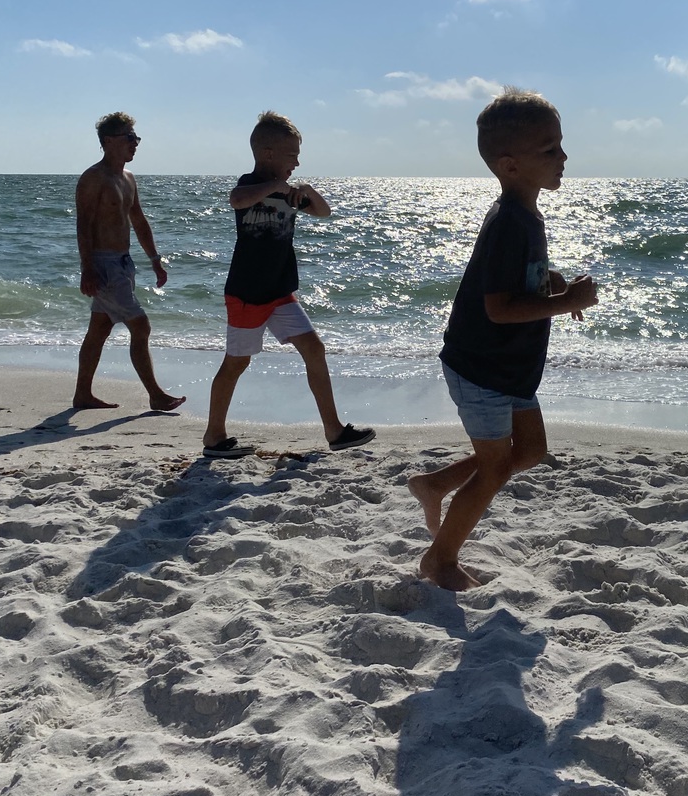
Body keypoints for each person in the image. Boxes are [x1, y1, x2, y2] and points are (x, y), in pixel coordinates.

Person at [409, 88, 598, 591]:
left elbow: (517, 281)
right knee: (495, 469)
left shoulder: (527, 216)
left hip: (511, 366)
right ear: (511, 165)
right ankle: (440, 559)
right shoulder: (508, 222)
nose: (563, 158)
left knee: (530, 450)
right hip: (481, 367)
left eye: (559, 145)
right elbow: (498, 307)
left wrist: (552, 283)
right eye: (549, 149)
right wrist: (566, 303)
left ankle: (436, 484)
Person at [202, 111, 375, 459]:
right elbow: (237, 199)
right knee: (236, 363)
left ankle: (335, 430)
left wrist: (306, 192)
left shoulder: (291, 193)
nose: (297, 161)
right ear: (268, 154)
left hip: (281, 292)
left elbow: (323, 212)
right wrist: (275, 187)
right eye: (291, 154)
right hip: (247, 294)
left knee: (315, 348)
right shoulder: (250, 184)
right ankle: (214, 436)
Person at [73, 112, 186, 412]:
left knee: (99, 329)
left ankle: (82, 394)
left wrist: (155, 260)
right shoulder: (93, 178)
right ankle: (156, 395)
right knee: (141, 325)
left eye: (136, 138)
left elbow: (138, 221)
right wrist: (87, 268)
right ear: (108, 142)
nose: (135, 144)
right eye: (129, 138)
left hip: (124, 263)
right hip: (103, 264)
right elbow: (83, 225)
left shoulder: (128, 179)